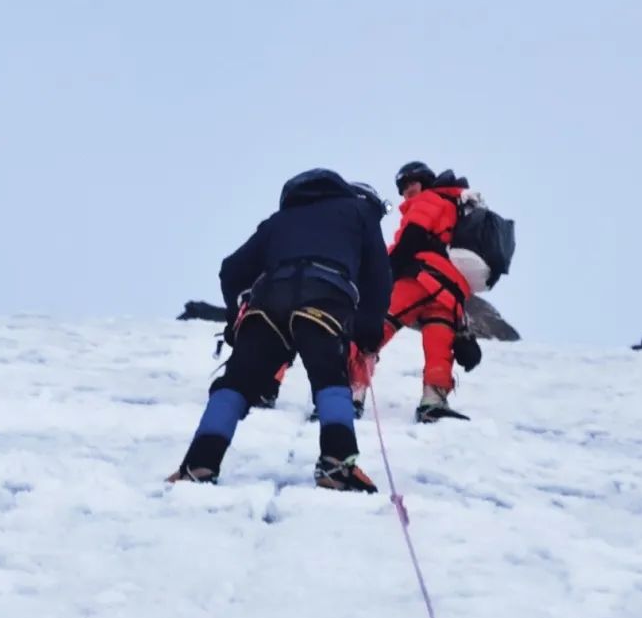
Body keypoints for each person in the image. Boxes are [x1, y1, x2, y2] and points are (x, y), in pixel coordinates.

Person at [166, 169, 392, 492]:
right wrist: (369, 333)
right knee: (330, 378)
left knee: (236, 383)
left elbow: (231, 270)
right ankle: (337, 465)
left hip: (268, 300)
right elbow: (379, 276)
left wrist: (235, 321)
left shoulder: (279, 220)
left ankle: (198, 463)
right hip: (325, 298)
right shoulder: (360, 213)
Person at [348, 161, 482, 423]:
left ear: (426, 181)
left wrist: (383, 274)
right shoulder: (455, 207)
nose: (407, 190)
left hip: (420, 277)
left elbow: (411, 239)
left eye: (412, 183)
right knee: (439, 342)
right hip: (450, 289)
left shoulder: (429, 200)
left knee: (373, 327)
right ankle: (434, 400)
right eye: (403, 187)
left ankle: (350, 391)